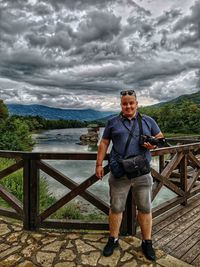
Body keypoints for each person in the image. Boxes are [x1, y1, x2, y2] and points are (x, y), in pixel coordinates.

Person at [95, 90, 164, 261]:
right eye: (125, 103)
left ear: (137, 103)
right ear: (121, 105)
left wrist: (152, 145)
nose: (128, 106)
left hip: (142, 172)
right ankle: (113, 239)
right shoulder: (112, 122)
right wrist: (98, 164)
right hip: (120, 172)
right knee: (116, 207)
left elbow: (160, 136)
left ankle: (147, 242)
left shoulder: (148, 120)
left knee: (145, 208)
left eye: (131, 103)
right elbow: (104, 143)